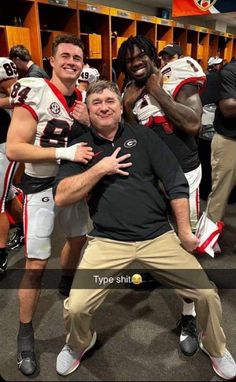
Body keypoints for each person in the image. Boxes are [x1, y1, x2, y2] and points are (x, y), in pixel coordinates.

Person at [53, 80, 236, 380]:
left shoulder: (144, 136)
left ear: (118, 104)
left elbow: (176, 182)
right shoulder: (82, 147)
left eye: (110, 100)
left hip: (156, 236)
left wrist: (184, 233)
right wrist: (101, 168)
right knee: (76, 308)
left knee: (205, 294)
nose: (104, 106)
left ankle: (214, 346)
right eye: (96, 101)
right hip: (107, 240)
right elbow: (61, 196)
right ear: (87, 108)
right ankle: (80, 343)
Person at [6, 34, 94, 376]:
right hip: (41, 185)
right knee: (35, 265)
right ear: (53, 61)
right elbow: (15, 148)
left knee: (78, 239)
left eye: (78, 57)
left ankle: (67, 282)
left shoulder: (82, 98)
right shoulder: (35, 89)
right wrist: (63, 152)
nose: (72, 61)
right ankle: (24, 332)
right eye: (66, 56)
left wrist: (86, 124)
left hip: (70, 185)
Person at [117, 36, 205, 357]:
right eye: (130, 59)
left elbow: (193, 122)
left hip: (184, 177)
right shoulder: (126, 92)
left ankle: (189, 316)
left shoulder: (179, 71)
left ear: (153, 55)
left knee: (186, 246)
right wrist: (127, 108)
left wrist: (156, 91)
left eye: (141, 55)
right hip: (153, 181)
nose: (136, 62)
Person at [203, 58, 236, 244]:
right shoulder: (230, 72)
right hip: (230, 141)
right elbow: (228, 107)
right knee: (219, 195)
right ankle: (208, 239)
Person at [0, 57, 23, 273]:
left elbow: (17, 95)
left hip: (6, 148)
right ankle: (26, 228)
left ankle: (1, 255)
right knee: (7, 196)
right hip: (4, 145)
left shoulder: (17, 87)